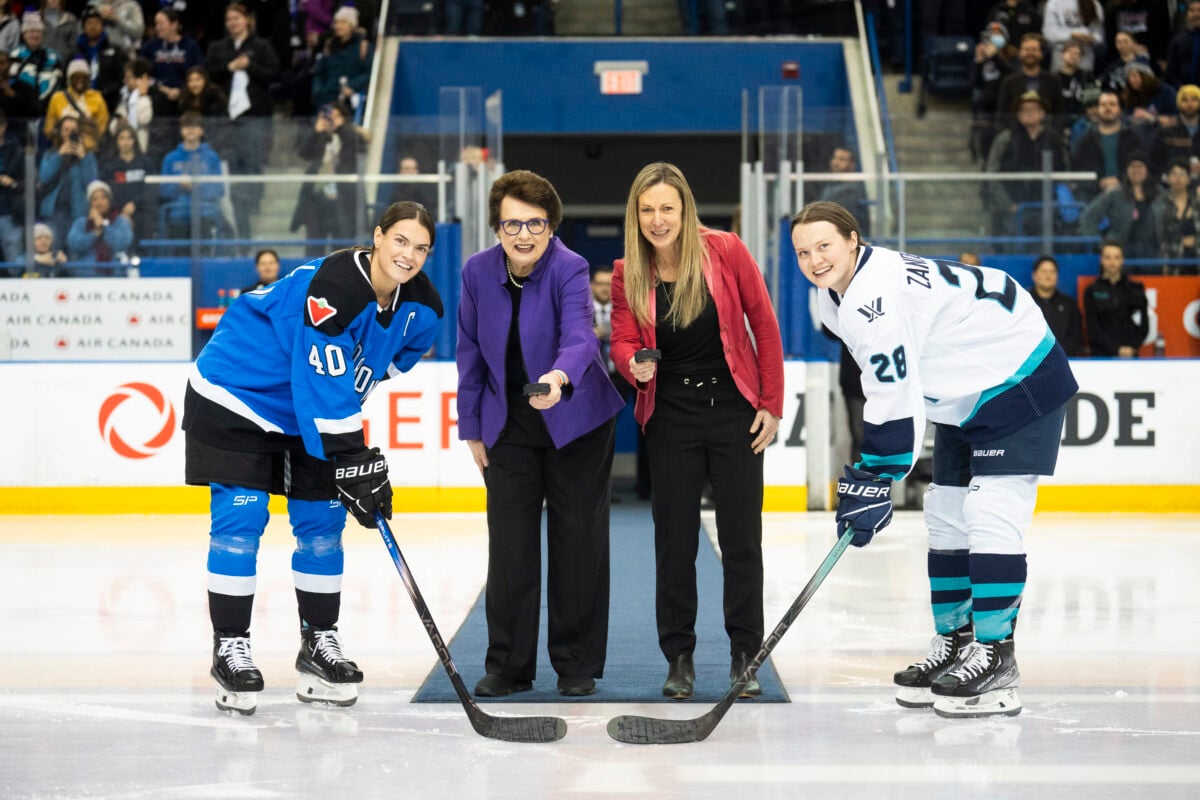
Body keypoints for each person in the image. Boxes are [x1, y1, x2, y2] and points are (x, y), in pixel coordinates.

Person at [789, 200, 1078, 719]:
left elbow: (891, 389)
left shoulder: (873, 296)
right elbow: (898, 379)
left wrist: (877, 473)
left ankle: (996, 657)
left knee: (991, 515)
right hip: (963, 393)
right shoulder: (836, 293)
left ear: (854, 240)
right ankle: (957, 643)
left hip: (1019, 377)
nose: (814, 260)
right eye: (803, 252)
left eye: (824, 246)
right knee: (945, 516)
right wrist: (877, 473)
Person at [183, 201, 444, 715]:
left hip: (310, 407)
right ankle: (230, 647)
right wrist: (352, 456)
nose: (408, 255)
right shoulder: (333, 289)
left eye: (421, 248)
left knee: (321, 522)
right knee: (242, 516)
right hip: (237, 391)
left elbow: (382, 367)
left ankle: (317, 645)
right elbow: (320, 383)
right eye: (399, 241)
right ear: (377, 236)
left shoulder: (424, 309)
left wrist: (351, 459)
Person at [610, 162, 784, 701]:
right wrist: (630, 364)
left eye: (667, 208)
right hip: (671, 415)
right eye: (647, 210)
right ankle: (679, 657)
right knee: (674, 541)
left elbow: (764, 324)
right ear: (634, 215)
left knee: (740, 540)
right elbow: (620, 337)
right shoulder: (626, 271)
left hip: (734, 409)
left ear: (685, 208)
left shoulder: (726, 249)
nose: (657, 220)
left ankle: (743, 655)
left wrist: (771, 405)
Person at [456, 170, 624, 699]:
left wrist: (558, 376)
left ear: (551, 226)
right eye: (511, 223)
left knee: (578, 543)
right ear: (496, 226)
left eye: (535, 222)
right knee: (510, 548)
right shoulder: (476, 272)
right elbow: (469, 353)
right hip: (507, 426)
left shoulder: (569, 267)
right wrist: (471, 426)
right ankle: (508, 665)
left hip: (574, 420)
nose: (523, 234)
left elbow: (581, 333)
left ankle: (576, 663)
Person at [205, 2, 280, 240]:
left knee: (253, 161)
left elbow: (274, 73)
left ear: (247, 20)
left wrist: (251, 66)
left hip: (255, 116)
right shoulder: (219, 48)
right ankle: (240, 211)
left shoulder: (261, 46)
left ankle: (253, 204)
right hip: (227, 119)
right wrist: (229, 67)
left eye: (236, 18)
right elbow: (209, 73)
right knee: (233, 165)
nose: (232, 23)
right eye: (229, 19)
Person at [1078, 152, 1159, 260]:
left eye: (1140, 166)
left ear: (1147, 170)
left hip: (1153, 253)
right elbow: (1088, 217)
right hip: (1119, 253)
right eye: (1132, 166)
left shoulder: (1160, 194)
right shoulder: (1115, 194)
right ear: (1126, 170)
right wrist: (1100, 244)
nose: (1136, 170)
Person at [160, 112, 227, 241]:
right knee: (179, 257)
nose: (190, 130)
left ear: (201, 131)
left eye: (194, 126)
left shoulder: (212, 157)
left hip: (205, 213)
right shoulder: (170, 158)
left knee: (205, 256)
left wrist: (196, 185)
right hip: (178, 214)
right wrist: (179, 185)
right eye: (186, 126)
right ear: (181, 131)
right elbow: (164, 190)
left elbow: (219, 189)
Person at [37, 115, 97, 249]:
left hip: (78, 212)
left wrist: (83, 158)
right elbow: (44, 177)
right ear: (60, 133)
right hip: (54, 213)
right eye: (66, 130)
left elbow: (92, 184)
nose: (69, 133)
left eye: (73, 130)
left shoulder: (88, 156)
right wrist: (59, 155)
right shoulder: (51, 154)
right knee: (54, 250)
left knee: (75, 250)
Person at [1082, 241, 1149, 356]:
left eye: (1116, 257)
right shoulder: (1091, 291)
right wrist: (1116, 349)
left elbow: (1144, 325)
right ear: (1101, 260)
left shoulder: (1135, 288)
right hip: (1101, 356)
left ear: (1122, 260)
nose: (1112, 262)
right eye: (1108, 257)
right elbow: (1093, 328)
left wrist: (1132, 347)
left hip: (1130, 355)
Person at [99, 121, 156, 245]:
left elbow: (151, 189)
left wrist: (134, 204)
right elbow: (106, 192)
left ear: (134, 140)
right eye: (122, 138)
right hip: (116, 213)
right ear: (117, 141)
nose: (126, 142)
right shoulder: (109, 166)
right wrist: (122, 210)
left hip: (143, 212)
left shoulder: (145, 163)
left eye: (129, 138)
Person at [311, 6, 372, 111]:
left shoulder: (363, 46)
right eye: (336, 22)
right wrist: (318, 91)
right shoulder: (329, 46)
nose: (338, 26)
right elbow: (319, 72)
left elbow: (369, 72)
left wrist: (352, 86)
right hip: (326, 100)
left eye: (343, 22)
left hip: (350, 103)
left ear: (352, 25)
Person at [43, 58, 109, 153]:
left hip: (88, 150)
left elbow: (102, 127)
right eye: (76, 77)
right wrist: (59, 137)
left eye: (84, 77)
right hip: (63, 149)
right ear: (70, 79)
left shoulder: (97, 98)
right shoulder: (57, 98)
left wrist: (90, 142)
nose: (80, 81)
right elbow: (49, 127)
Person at [66, 179, 133, 265]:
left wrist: (103, 226)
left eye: (103, 198)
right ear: (90, 203)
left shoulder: (121, 221)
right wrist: (94, 233)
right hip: (84, 273)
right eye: (94, 199)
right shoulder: (80, 222)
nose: (99, 202)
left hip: (115, 273)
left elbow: (121, 244)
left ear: (109, 200)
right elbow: (74, 244)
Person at [1028, 255, 1084, 356]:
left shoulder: (1069, 304)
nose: (1048, 275)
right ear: (1034, 275)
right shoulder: (1025, 303)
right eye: (1044, 271)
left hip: (1065, 360)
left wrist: (1059, 356)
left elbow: (1076, 337)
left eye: (1052, 272)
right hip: (1031, 363)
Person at [74, 7, 126, 112]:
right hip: (80, 103)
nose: (93, 26)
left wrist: (105, 92)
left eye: (97, 22)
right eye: (89, 23)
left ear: (102, 26)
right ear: (83, 27)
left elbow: (121, 79)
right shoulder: (75, 53)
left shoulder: (116, 51)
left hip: (109, 102)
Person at [1153, 160, 1200, 273]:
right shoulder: (1159, 204)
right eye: (1174, 174)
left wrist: (1195, 241)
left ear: (1189, 179)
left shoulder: (1197, 202)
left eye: (1182, 174)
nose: (1178, 178)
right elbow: (1159, 236)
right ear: (1168, 178)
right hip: (1173, 261)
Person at [1042, 0, 1105, 73]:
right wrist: (1071, 35)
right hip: (1061, 55)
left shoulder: (1094, 4)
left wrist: (1092, 38)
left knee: (1085, 83)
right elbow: (1048, 34)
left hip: (1085, 55)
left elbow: (1100, 36)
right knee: (1059, 83)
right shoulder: (1054, 3)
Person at [0, 111, 24, 270]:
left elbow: (31, 181)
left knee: (14, 258)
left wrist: (13, 183)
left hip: (9, 211)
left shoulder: (17, 150)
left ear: (3, 127)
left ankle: (20, 292)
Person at [1165, 0, 1200, 89]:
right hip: (1183, 92)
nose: (1196, 14)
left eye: (1199, 10)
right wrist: (1180, 87)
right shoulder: (1178, 40)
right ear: (1187, 14)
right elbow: (1171, 70)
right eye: (1191, 11)